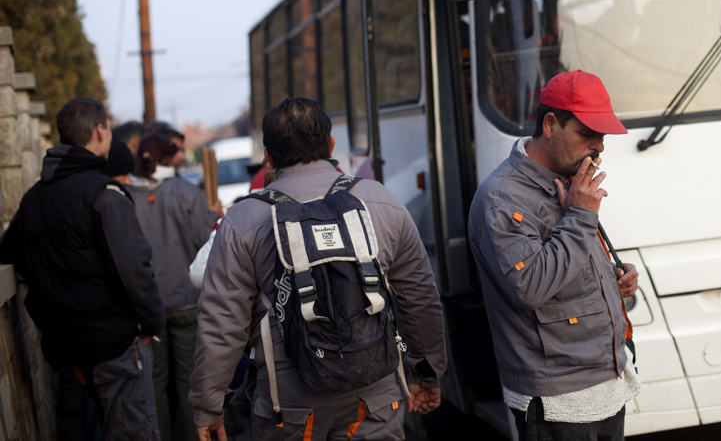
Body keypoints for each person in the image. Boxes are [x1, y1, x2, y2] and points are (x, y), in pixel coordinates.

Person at [189, 97, 446, 441]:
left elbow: (222, 324)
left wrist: (209, 406)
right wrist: (426, 373)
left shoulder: (242, 220)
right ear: (330, 144)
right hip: (374, 393)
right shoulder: (380, 201)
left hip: (290, 402)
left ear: (268, 156)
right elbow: (419, 299)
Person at [468, 70, 641, 441]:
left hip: (603, 381)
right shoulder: (501, 198)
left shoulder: (566, 180)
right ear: (550, 124)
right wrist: (580, 214)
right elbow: (530, 286)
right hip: (556, 396)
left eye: (603, 135)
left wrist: (614, 278)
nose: (599, 146)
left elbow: (568, 270)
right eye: (587, 133)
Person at [0, 97, 165, 440]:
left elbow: (9, 252)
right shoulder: (104, 194)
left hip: (70, 349)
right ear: (100, 130)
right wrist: (151, 323)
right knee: (135, 433)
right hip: (115, 346)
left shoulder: (32, 200)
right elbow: (134, 270)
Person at [131, 133, 218, 441]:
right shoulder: (186, 191)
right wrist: (212, 214)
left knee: (154, 383)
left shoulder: (127, 196)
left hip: (148, 305)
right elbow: (203, 241)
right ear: (169, 157)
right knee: (188, 380)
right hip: (187, 301)